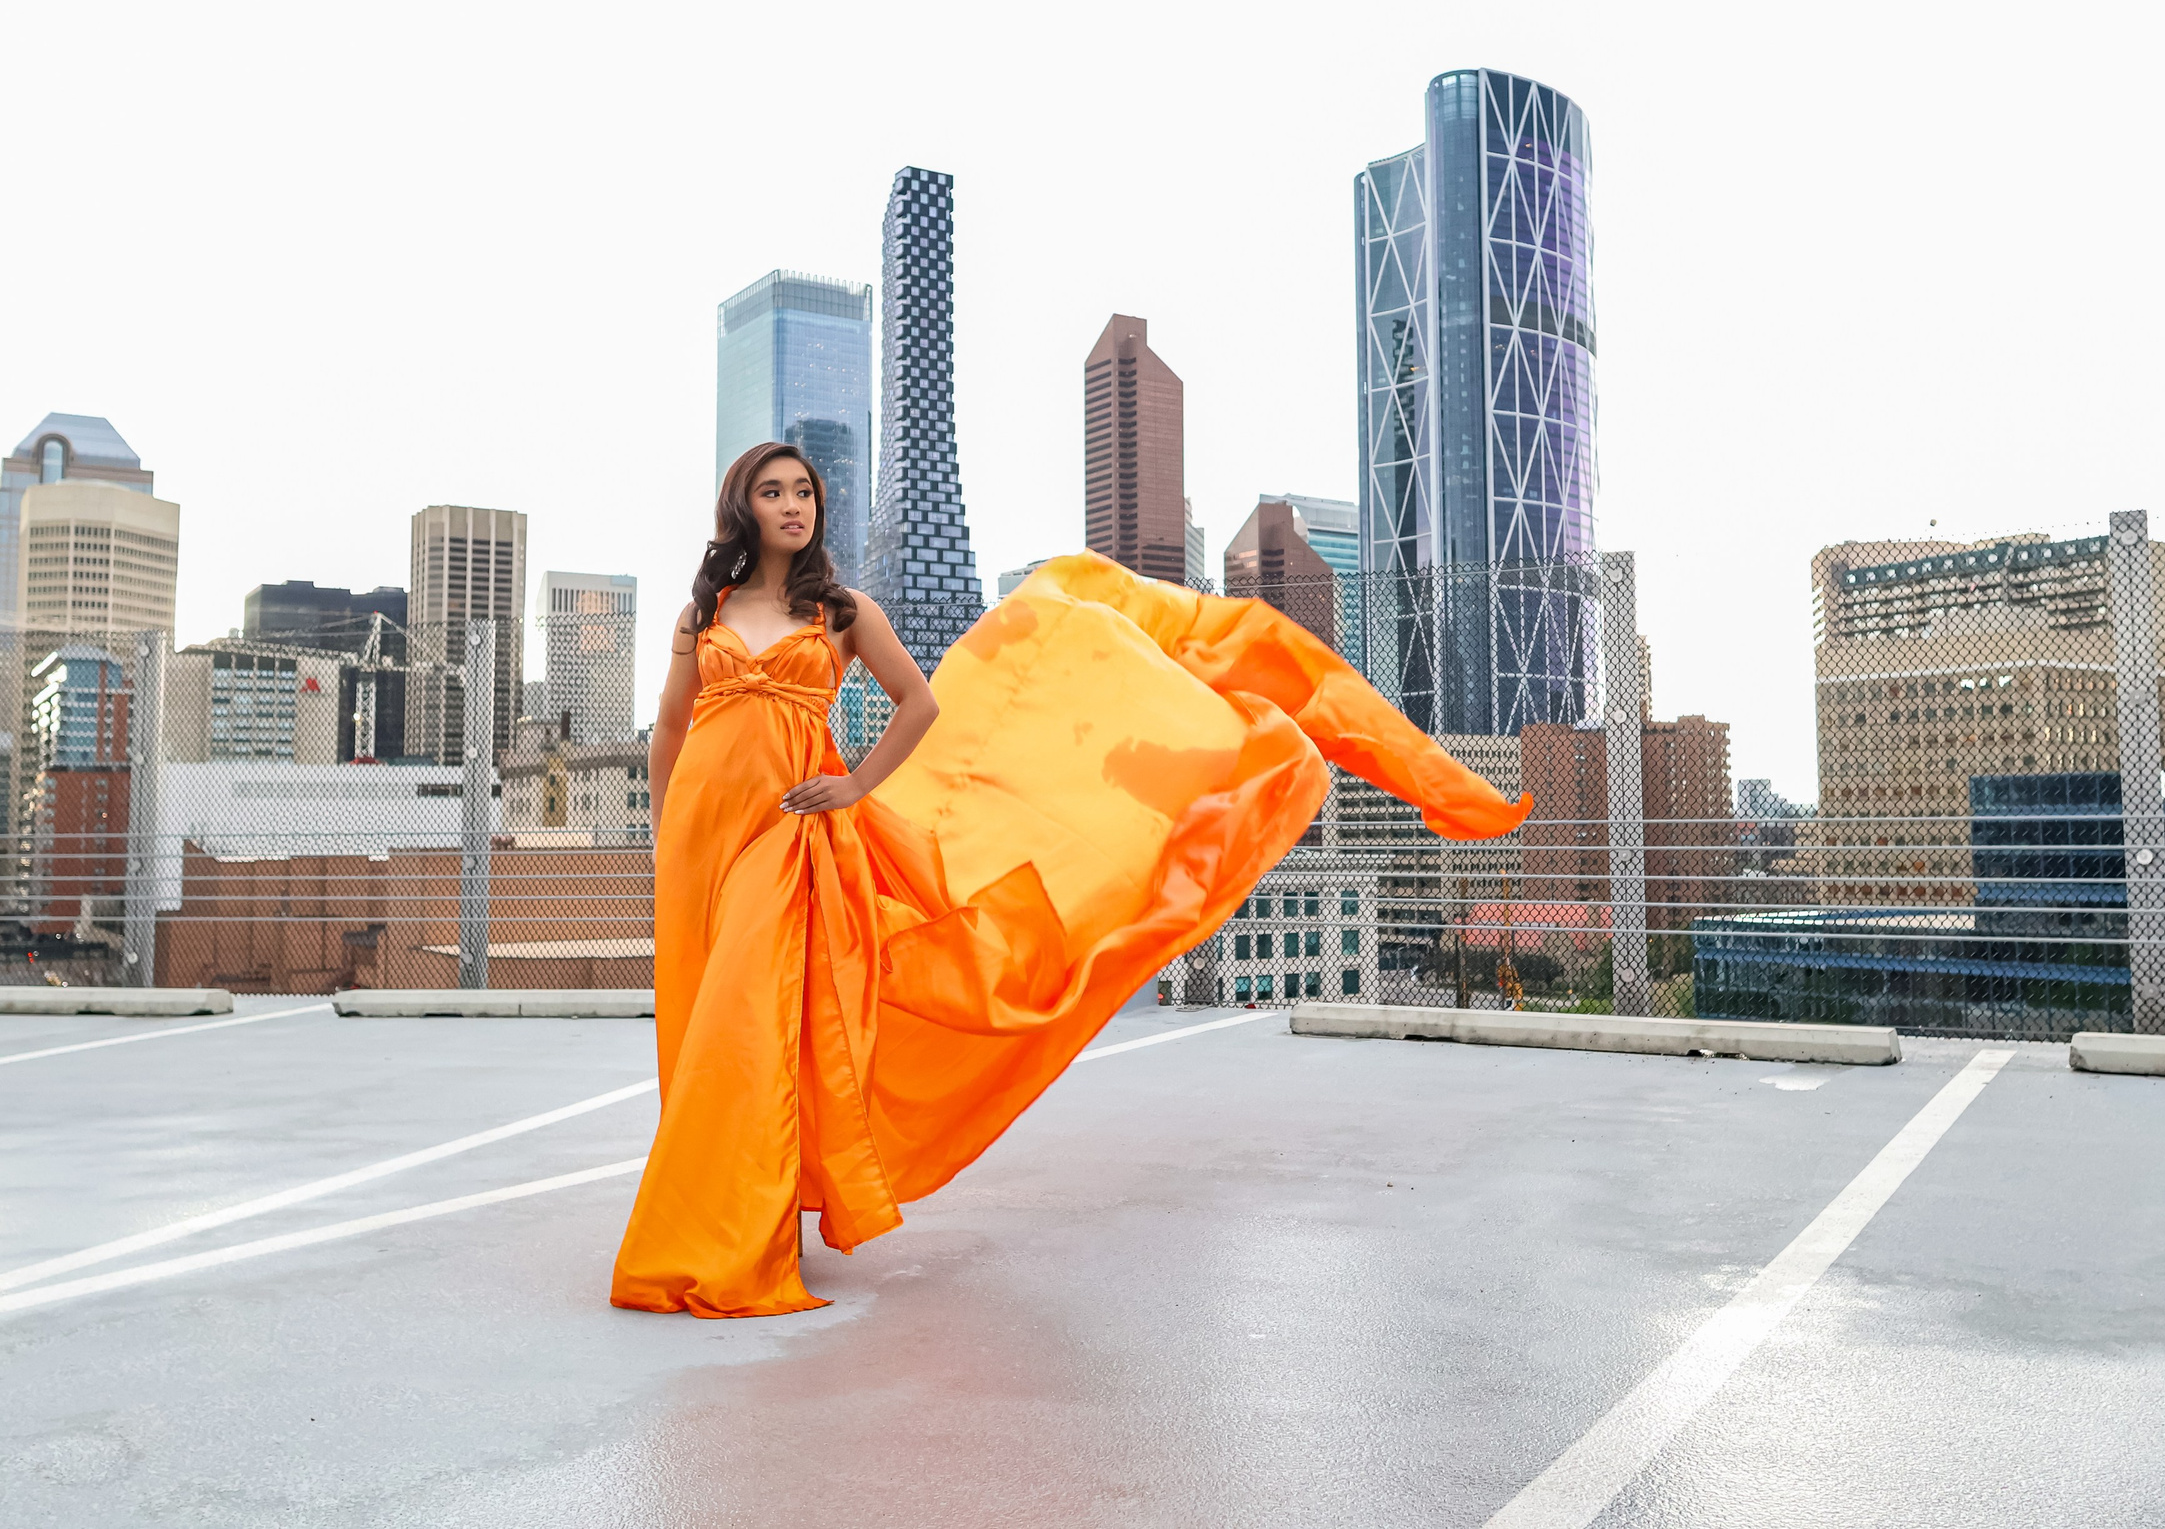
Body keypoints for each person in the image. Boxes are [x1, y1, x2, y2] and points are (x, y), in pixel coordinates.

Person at [610, 441, 1530, 1318]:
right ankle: (758, 1198)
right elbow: (668, 733)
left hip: (797, 833)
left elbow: (921, 704)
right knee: (711, 1018)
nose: (794, 506)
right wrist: (666, 841)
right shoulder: (708, 613)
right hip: (703, 836)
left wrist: (855, 783)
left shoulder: (841, 613)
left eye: (805, 491)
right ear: (743, 506)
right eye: (774, 492)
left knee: (754, 1018)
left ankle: (728, 1232)